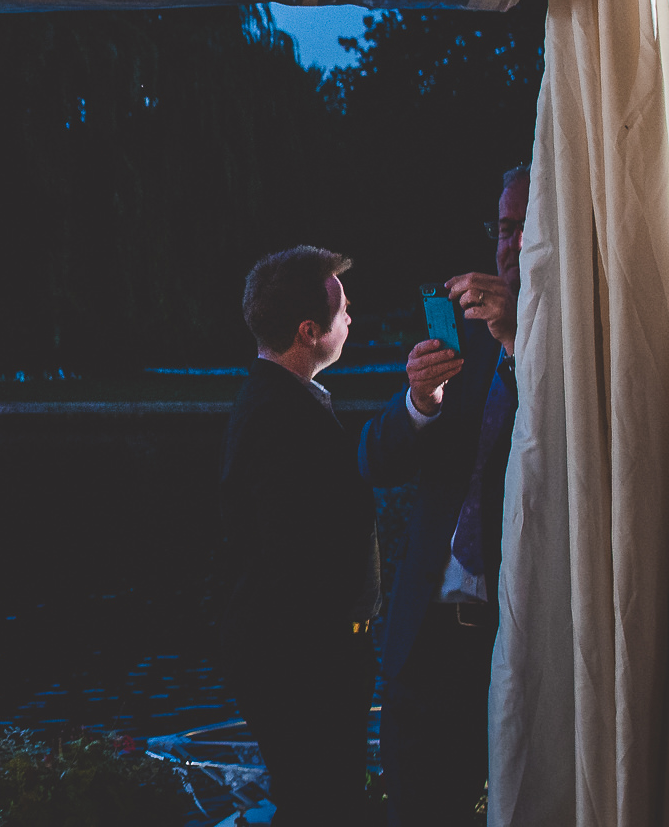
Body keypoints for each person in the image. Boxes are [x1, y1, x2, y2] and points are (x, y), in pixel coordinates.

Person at [359, 164, 528, 825]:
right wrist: (418, 401)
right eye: (503, 226)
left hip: (515, 647)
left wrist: (519, 336)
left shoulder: (587, 339)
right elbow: (374, 458)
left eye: (526, 226)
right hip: (423, 643)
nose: (509, 243)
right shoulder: (460, 332)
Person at [220, 245, 379, 827]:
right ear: (309, 331)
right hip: (302, 663)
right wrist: (337, 650)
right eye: (343, 310)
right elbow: (292, 558)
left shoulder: (276, 398)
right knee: (322, 806)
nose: (351, 317)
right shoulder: (278, 415)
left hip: (300, 654)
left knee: (321, 800)